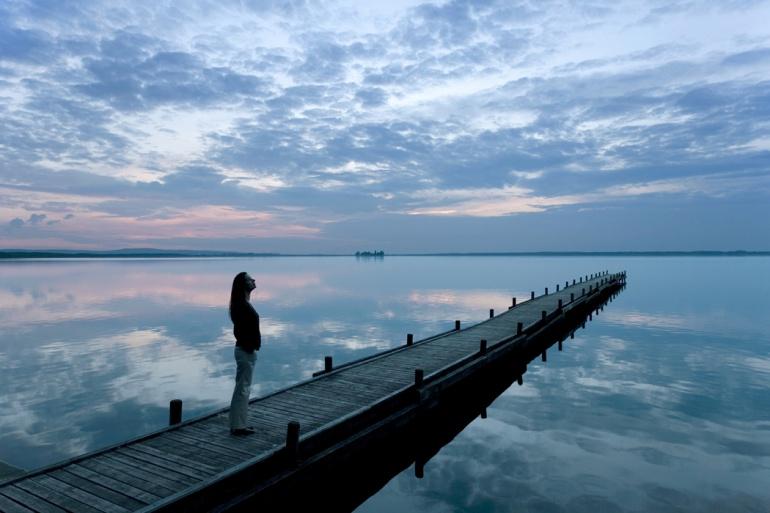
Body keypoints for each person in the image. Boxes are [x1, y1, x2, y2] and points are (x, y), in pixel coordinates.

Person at [228, 272, 261, 435]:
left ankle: (237, 424)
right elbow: (240, 331)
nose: (253, 280)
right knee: (243, 389)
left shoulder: (242, 303)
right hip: (245, 351)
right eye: (249, 279)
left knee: (242, 387)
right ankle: (239, 427)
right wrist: (250, 347)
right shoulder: (241, 305)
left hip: (246, 350)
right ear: (243, 284)